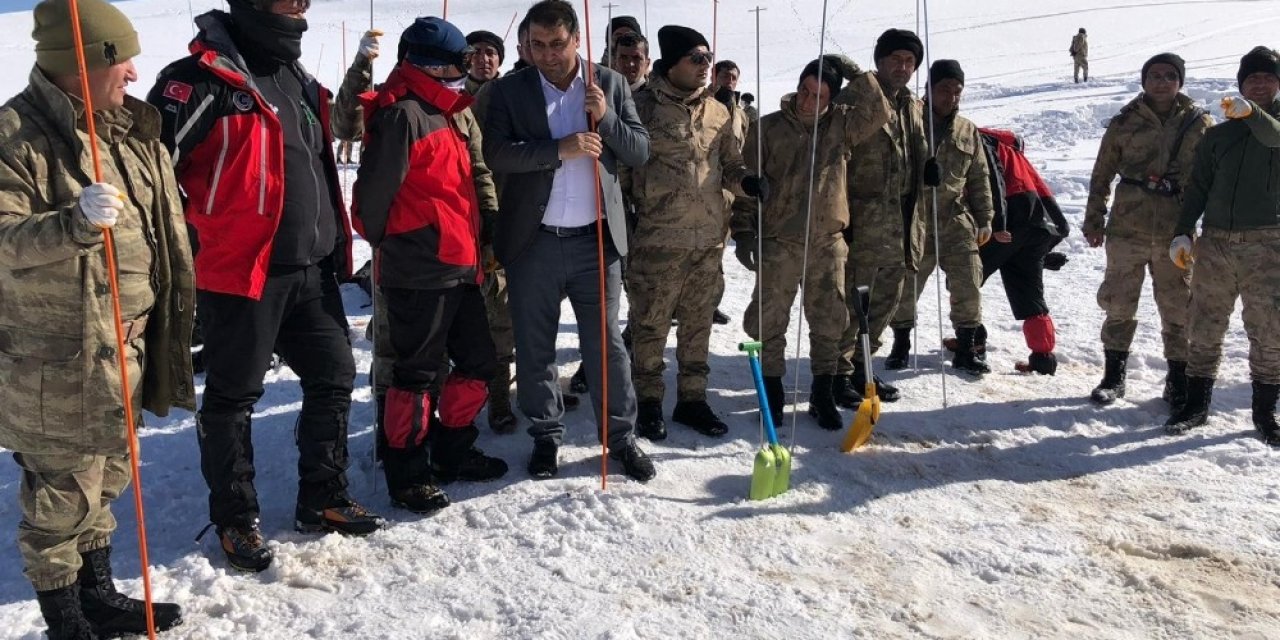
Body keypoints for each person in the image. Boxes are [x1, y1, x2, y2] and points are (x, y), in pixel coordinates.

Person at [148, 0, 382, 573]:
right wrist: (194, 238)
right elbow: (149, 173)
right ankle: (235, 518)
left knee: (334, 376)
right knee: (233, 396)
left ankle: (322, 496)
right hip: (241, 273)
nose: (301, 6)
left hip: (312, 268)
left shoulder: (295, 77)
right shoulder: (198, 81)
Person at [0, 1, 191, 636]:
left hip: (126, 346)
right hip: (59, 359)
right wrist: (72, 224)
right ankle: (66, 621)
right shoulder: (15, 136)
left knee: (107, 474)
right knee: (61, 495)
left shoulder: (127, 128)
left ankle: (98, 596)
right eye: (121, 59)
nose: (134, 73)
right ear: (78, 64)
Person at [483, 0, 655, 481]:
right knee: (534, 344)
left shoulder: (609, 83)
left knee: (606, 345)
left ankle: (620, 437)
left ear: (577, 39)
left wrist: (608, 117)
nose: (547, 55)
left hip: (595, 241)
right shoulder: (510, 90)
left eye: (557, 44)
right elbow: (496, 153)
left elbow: (640, 151)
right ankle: (545, 435)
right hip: (533, 241)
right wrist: (558, 149)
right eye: (536, 45)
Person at [352, 17, 508, 513]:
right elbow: (370, 204)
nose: (467, 68)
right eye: (461, 60)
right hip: (420, 270)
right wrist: (409, 240)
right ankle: (407, 472)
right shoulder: (403, 115)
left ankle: (451, 451)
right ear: (434, 66)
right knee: (415, 375)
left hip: (461, 264)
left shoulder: (446, 111)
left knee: (480, 364)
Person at [731, 54, 892, 430]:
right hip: (778, 240)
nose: (807, 100)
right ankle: (772, 389)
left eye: (818, 95)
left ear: (831, 99)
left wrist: (851, 70)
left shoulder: (843, 125)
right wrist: (743, 233)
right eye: (804, 90)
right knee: (768, 319)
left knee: (829, 320)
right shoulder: (768, 128)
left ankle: (822, 392)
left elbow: (880, 109)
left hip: (826, 242)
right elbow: (746, 182)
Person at [625, 25, 760, 440]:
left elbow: (731, 166)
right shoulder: (640, 108)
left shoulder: (719, 111)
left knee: (699, 324)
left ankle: (692, 399)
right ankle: (648, 400)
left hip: (708, 242)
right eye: (696, 58)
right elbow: (621, 176)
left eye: (708, 58)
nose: (705, 66)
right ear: (672, 64)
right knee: (650, 325)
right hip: (657, 242)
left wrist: (747, 183)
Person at [1166, 46, 1280, 446]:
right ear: (1241, 84)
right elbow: (1198, 187)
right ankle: (1195, 405)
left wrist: (1253, 114)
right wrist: (1183, 231)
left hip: (1268, 245)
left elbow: (1273, 136)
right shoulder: (1217, 136)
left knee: (1269, 330)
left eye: (1267, 77)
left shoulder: (1275, 126)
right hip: (1215, 243)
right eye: (1252, 78)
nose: (1259, 84)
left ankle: (1265, 413)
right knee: (1204, 324)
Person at [1083, 53, 1212, 408]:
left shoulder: (1199, 123)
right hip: (1127, 228)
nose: (1162, 81)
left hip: (1176, 231)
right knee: (1118, 302)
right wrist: (1094, 219)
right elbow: (1102, 173)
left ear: (1180, 82)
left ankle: (1178, 379)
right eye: (1154, 75)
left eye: (1170, 75)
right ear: (1144, 81)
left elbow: (1210, 177)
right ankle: (1113, 376)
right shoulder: (1124, 122)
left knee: (1178, 306)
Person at [885, 59, 994, 376]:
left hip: (955, 220)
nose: (952, 96)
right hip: (915, 220)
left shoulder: (967, 130)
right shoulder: (910, 121)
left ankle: (967, 347)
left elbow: (979, 177)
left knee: (968, 283)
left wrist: (985, 218)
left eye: (958, 90)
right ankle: (901, 344)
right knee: (906, 286)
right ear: (929, 89)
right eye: (945, 89)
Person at [837, 28, 929, 404]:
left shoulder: (914, 105)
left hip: (903, 223)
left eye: (909, 62)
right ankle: (836, 373)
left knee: (887, 301)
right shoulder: (854, 98)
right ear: (880, 61)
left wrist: (929, 167)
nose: (902, 67)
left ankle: (862, 367)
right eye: (895, 59)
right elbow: (835, 157)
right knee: (853, 304)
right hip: (863, 221)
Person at [977, 128, 1070, 375]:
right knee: (1030, 293)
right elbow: (1042, 189)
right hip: (1037, 223)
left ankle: (972, 341)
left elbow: (991, 183)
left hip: (1007, 220)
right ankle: (1043, 358)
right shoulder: (1011, 148)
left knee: (965, 276)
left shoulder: (978, 139)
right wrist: (1048, 246)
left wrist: (997, 223)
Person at [465, 29, 504, 95]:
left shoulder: (514, 93)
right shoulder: (453, 93)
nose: (484, 59)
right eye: (476, 53)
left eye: (490, 53)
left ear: (499, 60)